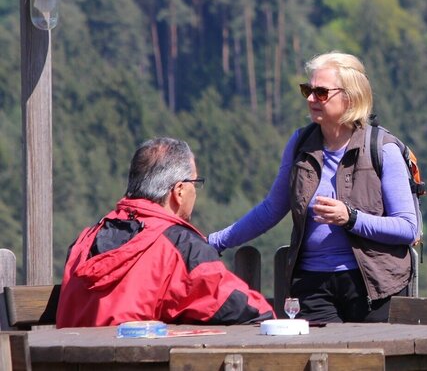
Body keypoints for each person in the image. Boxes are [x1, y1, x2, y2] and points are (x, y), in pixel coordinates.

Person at [208, 52, 417, 323]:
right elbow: (272, 209)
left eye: (320, 92)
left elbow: (407, 228)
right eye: (308, 90)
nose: (310, 99)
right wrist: (213, 242)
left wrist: (351, 218)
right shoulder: (299, 144)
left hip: (374, 287)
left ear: (351, 97)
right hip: (312, 286)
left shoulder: (383, 148)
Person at [57, 137, 274, 327]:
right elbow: (254, 312)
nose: (195, 193)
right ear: (179, 191)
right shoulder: (183, 249)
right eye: (195, 183)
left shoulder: (84, 242)